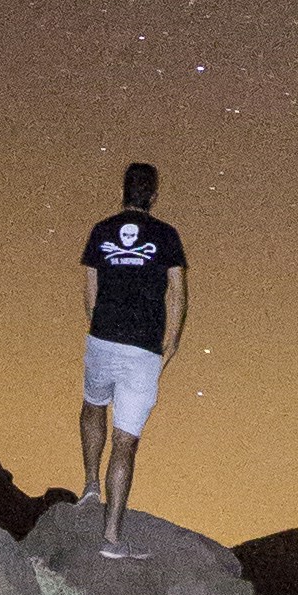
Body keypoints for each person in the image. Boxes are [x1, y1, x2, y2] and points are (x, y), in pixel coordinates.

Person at [75, 160, 187, 553]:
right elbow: (176, 292)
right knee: (126, 442)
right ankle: (111, 538)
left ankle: (90, 485)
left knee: (93, 405)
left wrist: (98, 325)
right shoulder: (167, 236)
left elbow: (90, 289)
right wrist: (170, 343)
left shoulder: (101, 230)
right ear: (154, 196)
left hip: (103, 339)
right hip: (143, 349)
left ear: (122, 191)